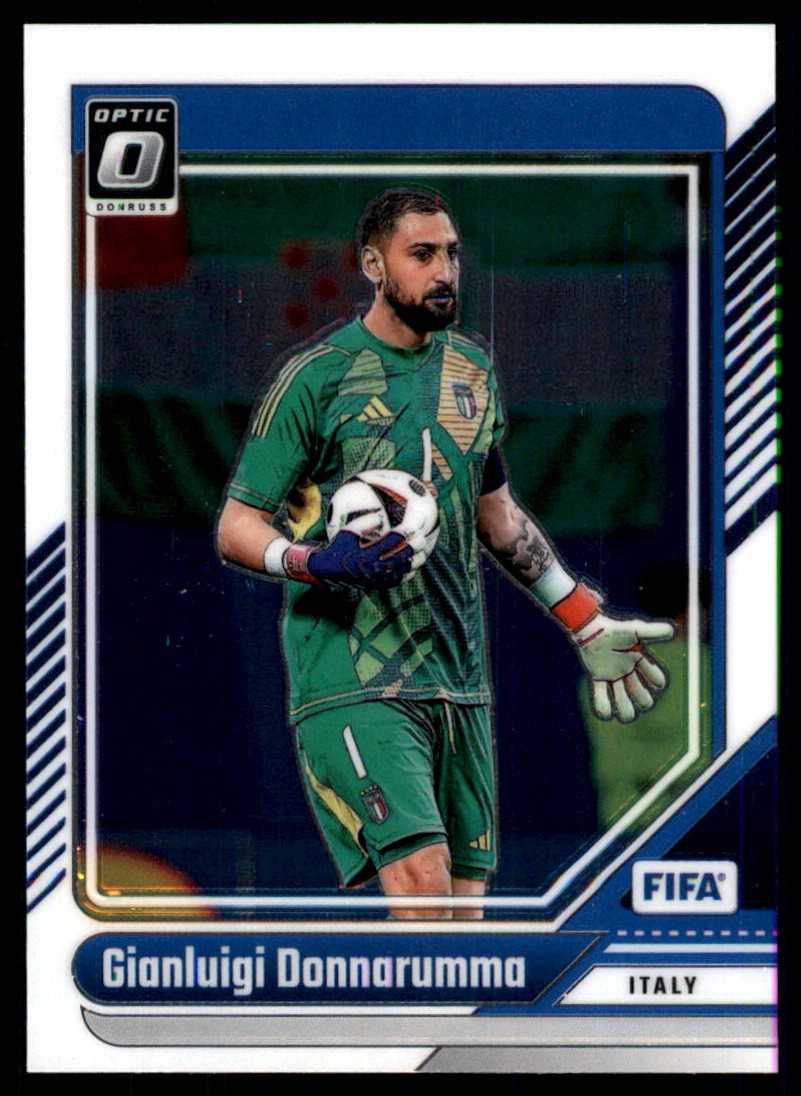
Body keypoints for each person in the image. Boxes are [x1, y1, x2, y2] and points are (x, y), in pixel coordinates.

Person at [216, 187, 674, 918]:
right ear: (373, 265)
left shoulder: (471, 372)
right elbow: (236, 525)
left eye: (452, 255)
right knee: (423, 892)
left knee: (463, 925)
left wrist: (584, 620)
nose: (445, 272)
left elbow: (499, 519)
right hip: (354, 677)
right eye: (422, 255)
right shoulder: (317, 378)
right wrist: (313, 561)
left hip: (459, 683)